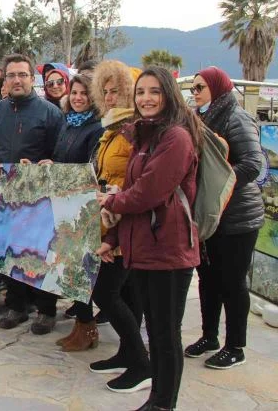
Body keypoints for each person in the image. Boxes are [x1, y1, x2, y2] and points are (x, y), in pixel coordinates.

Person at [97, 67, 202, 411]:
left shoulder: (176, 138)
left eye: (154, 92)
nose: (146, 99)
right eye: (141, 92)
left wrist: (109, 202)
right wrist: (113, 237)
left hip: (168, 251)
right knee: (155, 331)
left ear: (168, 94)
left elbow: (148, 193)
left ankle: (162, 403)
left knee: (165, 335)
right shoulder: (143, 138)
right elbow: (132, 190)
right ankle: (157, 397)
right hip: (142, 248)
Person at [0, 53, 65, 333]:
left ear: (32, 79)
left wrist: (44, 167)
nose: (16, 80)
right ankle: (17, 305)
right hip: (2, 195)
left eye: (22, 75)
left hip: (38, 199)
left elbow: (60, 154)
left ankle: (46, 310)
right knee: (8, 254)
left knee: (38, 255)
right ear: (4, 80)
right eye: (11, 75)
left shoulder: (50, 113)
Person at [184, 67, 264, 369]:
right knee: (208, 278)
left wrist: (218, 186)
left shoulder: (236, 118)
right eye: (193, 88)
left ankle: (236, 345)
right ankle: (209, 335)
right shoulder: (203, 118)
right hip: (211, 216)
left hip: (238, 217)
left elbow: (253, 165)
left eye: (200, 87)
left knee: (232, 282)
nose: (196, 93)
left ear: (217, 87)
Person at [86, 60, 150, 394]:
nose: (110, 97)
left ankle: (142, 363)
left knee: (104, 293)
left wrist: (114, 233)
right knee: (125, 293)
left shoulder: (134, 130)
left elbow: (134, 183)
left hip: (124, 226)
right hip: (112, 223)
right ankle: (128, 352)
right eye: (106, 91)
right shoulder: (113, 127)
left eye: (117, 91)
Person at [44, 74, 104, 351]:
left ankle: (86, 326)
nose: (78, 97)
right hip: (64, 204)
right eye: (75, 92)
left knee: (81, 270)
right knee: (69, 267)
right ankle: (82, 325)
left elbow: (90, 170)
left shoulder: (97, 128)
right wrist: (50, 163)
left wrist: (60, 170)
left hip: (83, 208)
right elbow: (62, 159)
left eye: (85, 94)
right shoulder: (68, 124)